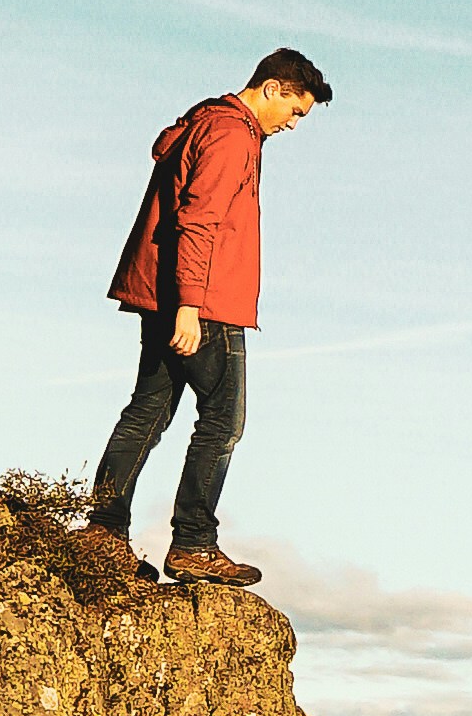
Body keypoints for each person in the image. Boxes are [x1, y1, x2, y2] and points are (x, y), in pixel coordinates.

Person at [86, 45, 332, 581]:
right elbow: (199, 221)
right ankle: (193, 543)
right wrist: (191, 307)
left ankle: (102, 535)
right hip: (205, 302)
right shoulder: (231, 134)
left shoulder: (204, 124)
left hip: (165, 293)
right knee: (223, 421)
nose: (293, 125)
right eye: (295, 111)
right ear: (272, 88)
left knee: (147, 412)